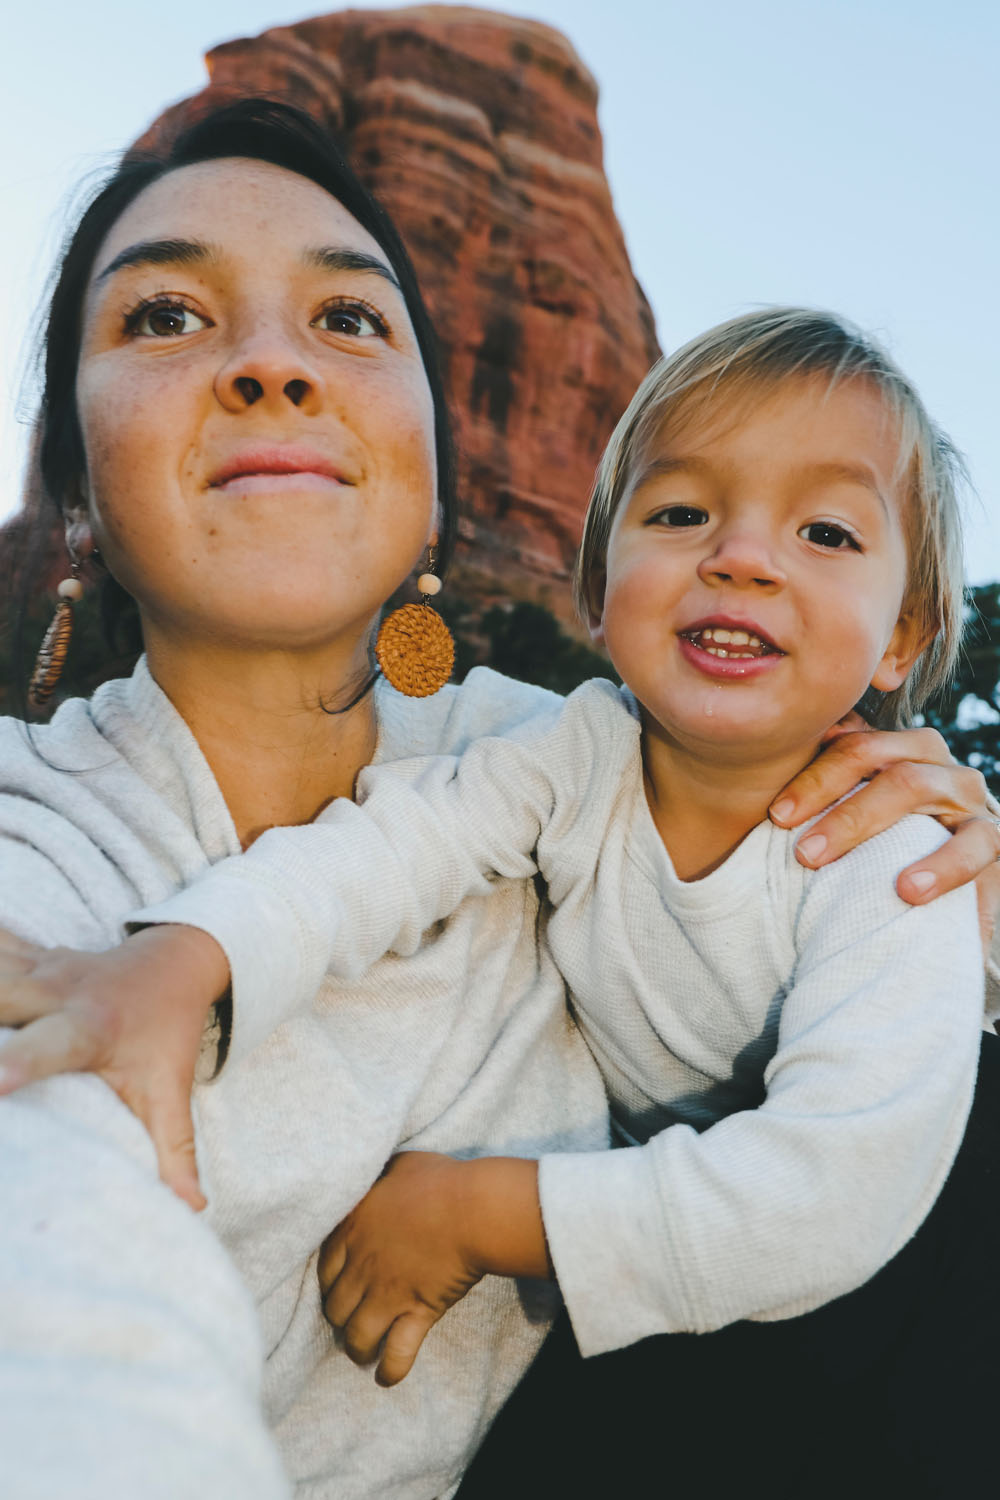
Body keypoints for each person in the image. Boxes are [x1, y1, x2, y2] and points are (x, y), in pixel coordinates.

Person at [0, 100, 996, 1499]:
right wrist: (177, 965)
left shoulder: (581, 751)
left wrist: (970, 899)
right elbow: (52, 1281)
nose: (273, 366)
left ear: (433, 463)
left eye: (349, 320)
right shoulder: (36, 846)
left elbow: (849, 1175)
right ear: (68, 472)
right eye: (166, 315)